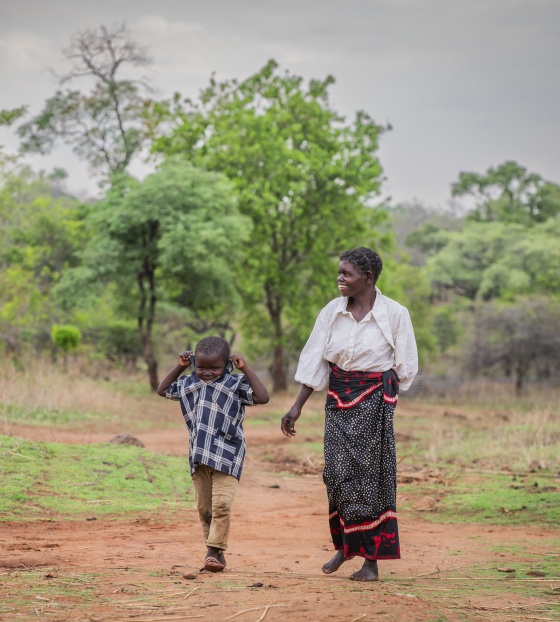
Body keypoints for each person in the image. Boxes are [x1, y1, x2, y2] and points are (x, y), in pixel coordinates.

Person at [281, 247, 418, 582]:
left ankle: (370, 562)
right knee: (337, 475)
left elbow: (406, 367)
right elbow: (316, 359)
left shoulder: (395, 314)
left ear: (367, 278)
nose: (340, 279)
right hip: (338, 400)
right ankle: (346, 543)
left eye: (347, 274)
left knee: (372, 481)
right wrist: (296, 406)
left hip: (374, 402)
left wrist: (384, 396)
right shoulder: (332, 312)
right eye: (340, 273)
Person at [157, 336, 269, 573]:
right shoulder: (188, 383)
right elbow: (163, 390)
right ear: (194, 363)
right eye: (201, 367)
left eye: (215, 368)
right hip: (199, 455)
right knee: (204, 509)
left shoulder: (235, 384)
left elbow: (262, 397)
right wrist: (180, 366)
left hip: (229, 455)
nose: (207, 373)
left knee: (221, 506)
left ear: (227, 365)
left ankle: (212, 551)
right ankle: (216, 552)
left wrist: (245, 368)